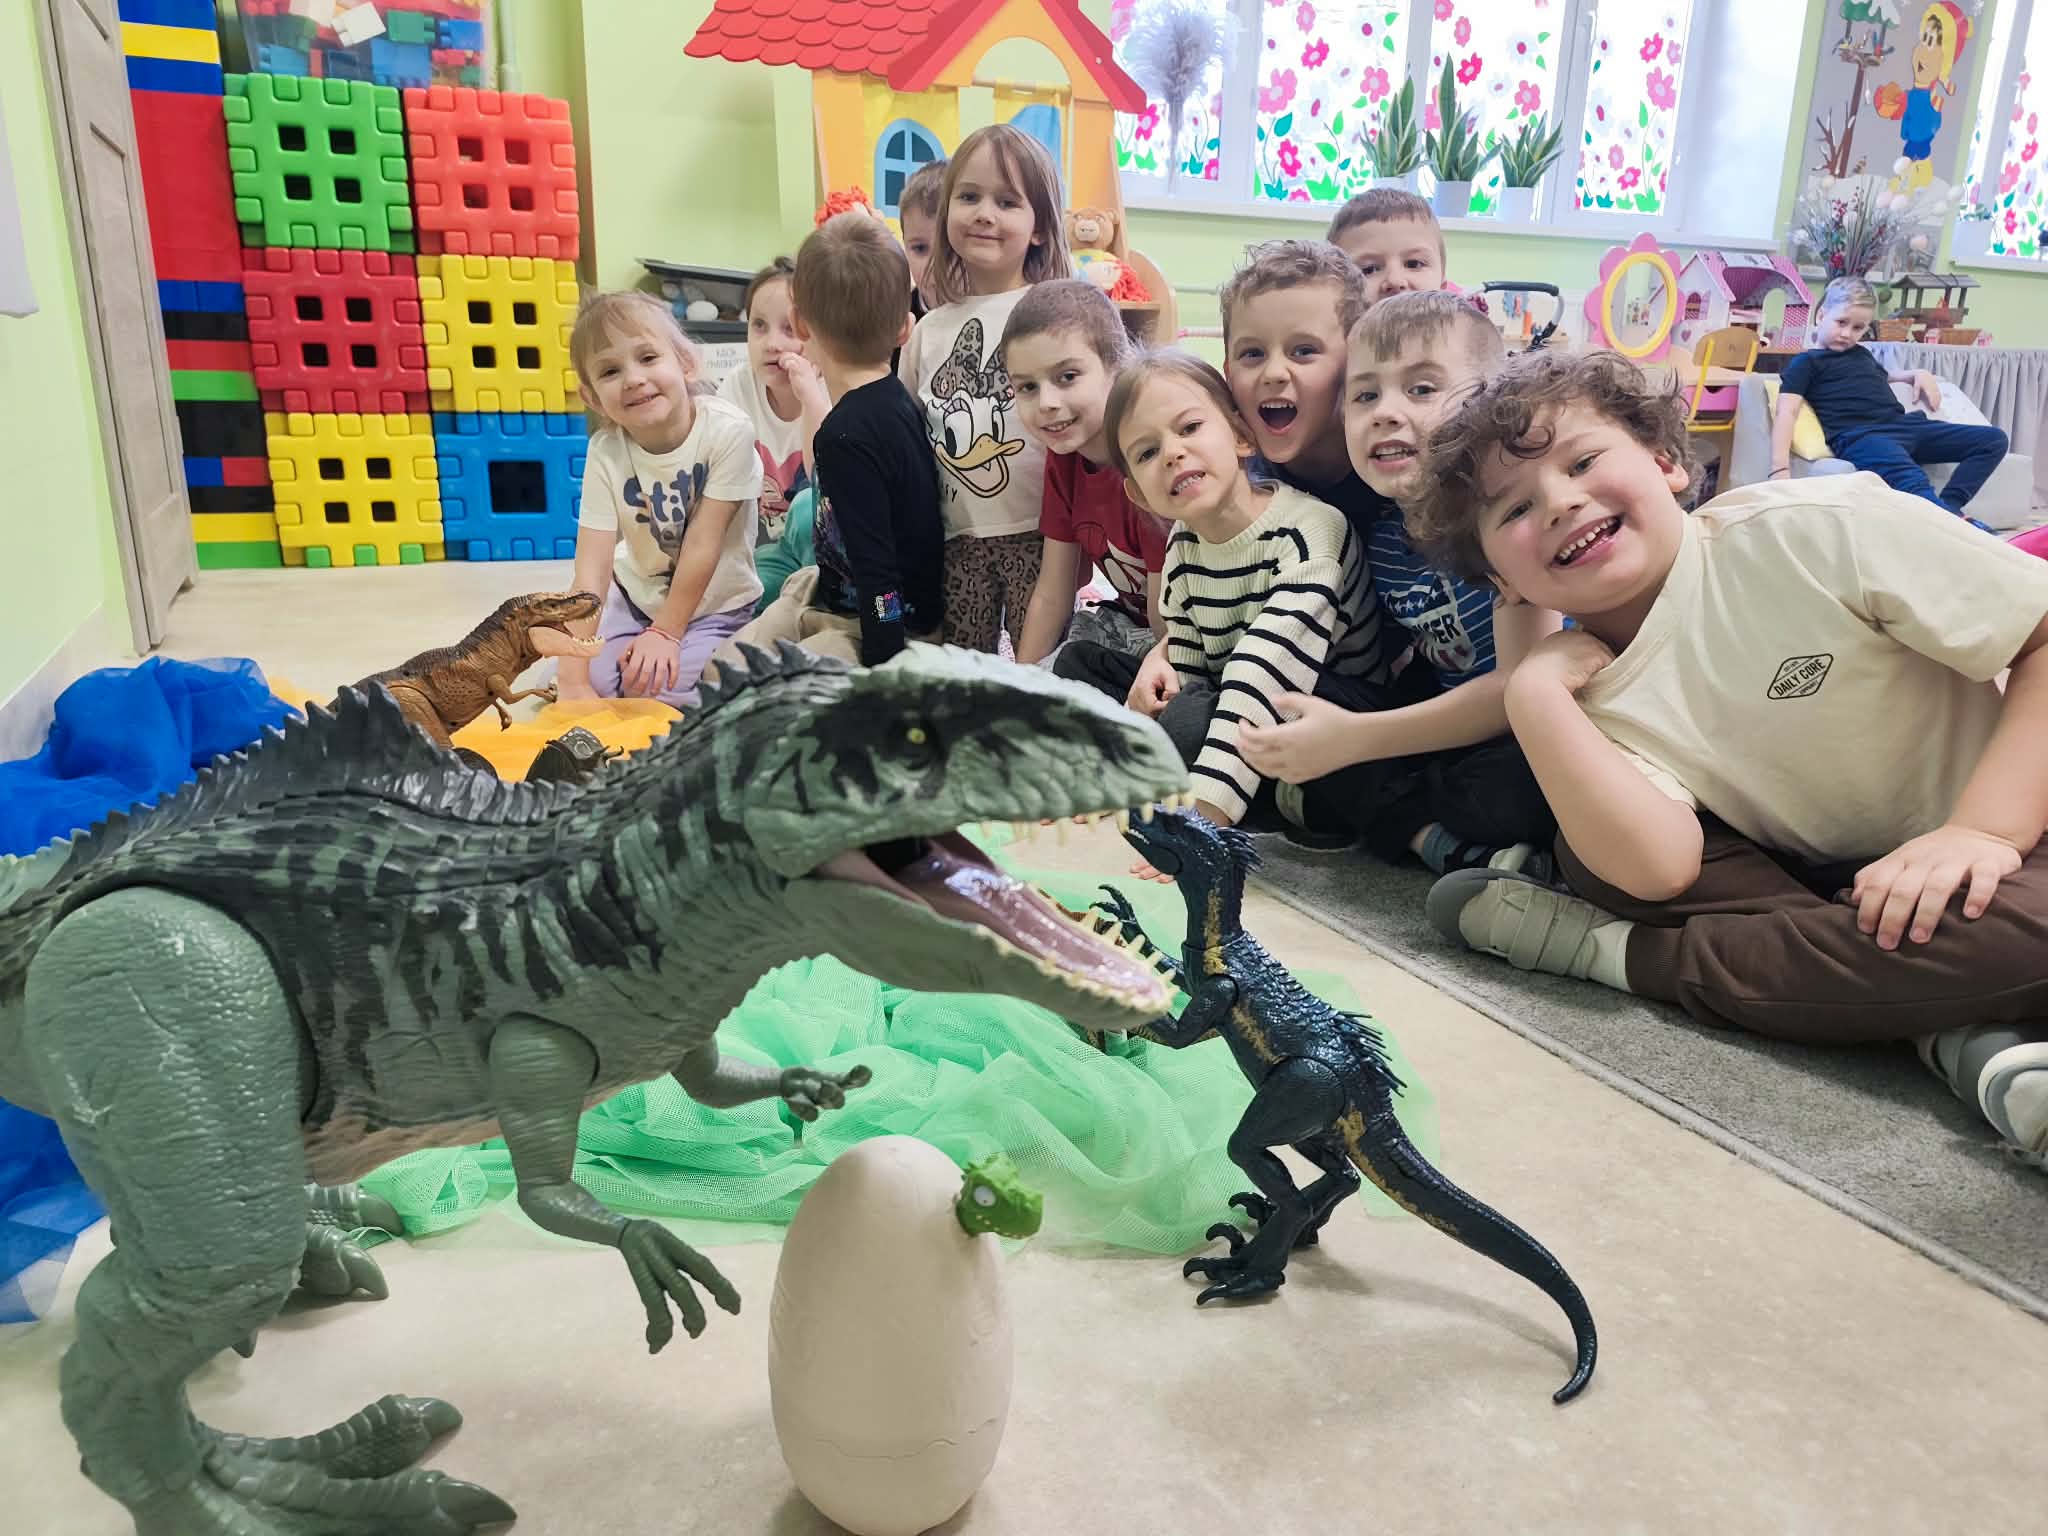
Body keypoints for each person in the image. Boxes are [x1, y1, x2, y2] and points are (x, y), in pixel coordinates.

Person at [1416, 347, 2048, 1166]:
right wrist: (1532, 697)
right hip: (1820, 875)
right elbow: (1657, 870)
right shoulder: (1580, 687)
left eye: (1582, 462)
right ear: (1502, 584)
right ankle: (1947, 1015)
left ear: (1665, 461)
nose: (1563, 501)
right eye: (1514, 509)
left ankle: (1618, 957)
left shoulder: (1819, 527)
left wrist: (1983, 832)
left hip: (2014, 832)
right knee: (1596, 857)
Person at [1241, 290, 1560, 874]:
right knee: (1303, 697)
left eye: (1421, 389)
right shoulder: (1380, 534)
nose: (1385, 412)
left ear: (1490, 404)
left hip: (1527, 725)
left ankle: (1391, 816)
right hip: (1444, 723)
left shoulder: (1502, 522)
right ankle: (1427, 833)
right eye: (1365, 395)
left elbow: (1519, 688)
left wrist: (1359, 739)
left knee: (1513, 785)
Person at [1057, 351, 1377, 876]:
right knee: (1080, 665)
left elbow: (1262, 675)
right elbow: (1191, 663)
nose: (1173, 454)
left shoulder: (1309, 532)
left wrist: (1203, 822)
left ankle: (1267, 797)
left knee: (1200, 719)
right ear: (1138, 494)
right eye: (1147, 452)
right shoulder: (1183, 547)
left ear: (1242, 437)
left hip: (1322, 707)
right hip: (1236, 697)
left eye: (1190, 428)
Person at [711, 212, 943, 669]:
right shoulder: (896, 400)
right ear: (905, 327)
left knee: (774, 685)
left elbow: (879, 573)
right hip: (828, 592)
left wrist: (885, 666)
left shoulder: (845, 436)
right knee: (728, 663)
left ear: (800, 325)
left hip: (879, 623)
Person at [898, 124, 1072, 654]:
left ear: (1039, 227)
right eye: (969, 197)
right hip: (958, 539)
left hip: (1042, 537)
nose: (984, 214)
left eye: (1007, 201)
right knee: (963, 670)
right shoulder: (929, 329)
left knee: (1039, 668)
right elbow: (906, 435)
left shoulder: (1056, 312)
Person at [557, 291, 760, 709]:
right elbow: (592, 570)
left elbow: (703, 543)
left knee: (662, 691)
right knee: (592, 679)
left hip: (717, 606)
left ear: (686, 363)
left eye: (648, 358)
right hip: (636, 600)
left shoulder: (728, 432)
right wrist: (572, 677)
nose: (633, 379)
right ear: (593, 398)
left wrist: (666, 633)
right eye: (610, 371)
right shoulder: (605, 451)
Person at [1001, 279, 1170, 666]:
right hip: (1131, 626)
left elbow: (1167, 617)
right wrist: (1021, 681)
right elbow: (1053, 593)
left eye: (1067, 377)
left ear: (1118, 366)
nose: (1046, 403)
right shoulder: (1064, 459)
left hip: (1188, 639)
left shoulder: (1151, 460)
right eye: (1027, 387)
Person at [1771, 276, 2008, 517]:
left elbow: (1884, 376)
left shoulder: (1862, 354)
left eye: (1857, 328)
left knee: (1993, 440)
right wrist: (1779, 468)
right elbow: (1787, 411)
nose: (1847, 333)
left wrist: (1915, 373)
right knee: (1913, 481)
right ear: (1821, 316)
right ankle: (1953, 522)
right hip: (1862, 437)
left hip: (1905, 426)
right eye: (1841, 322)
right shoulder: (1806, 363)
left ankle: (1951, 507)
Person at [716, 256, 824, 543]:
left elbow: (829, 483)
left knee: (807, 508)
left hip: (824, 540)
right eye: (759, 325)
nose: (772, 344)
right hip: (769, 543)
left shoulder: (830, 387)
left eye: (790, 329)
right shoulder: (740, 385)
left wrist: (810, 398)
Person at [897, 157, 947, 317]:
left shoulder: (997, 316)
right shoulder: (897, 315)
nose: (934, 266)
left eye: (948, 248)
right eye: (920, 248)